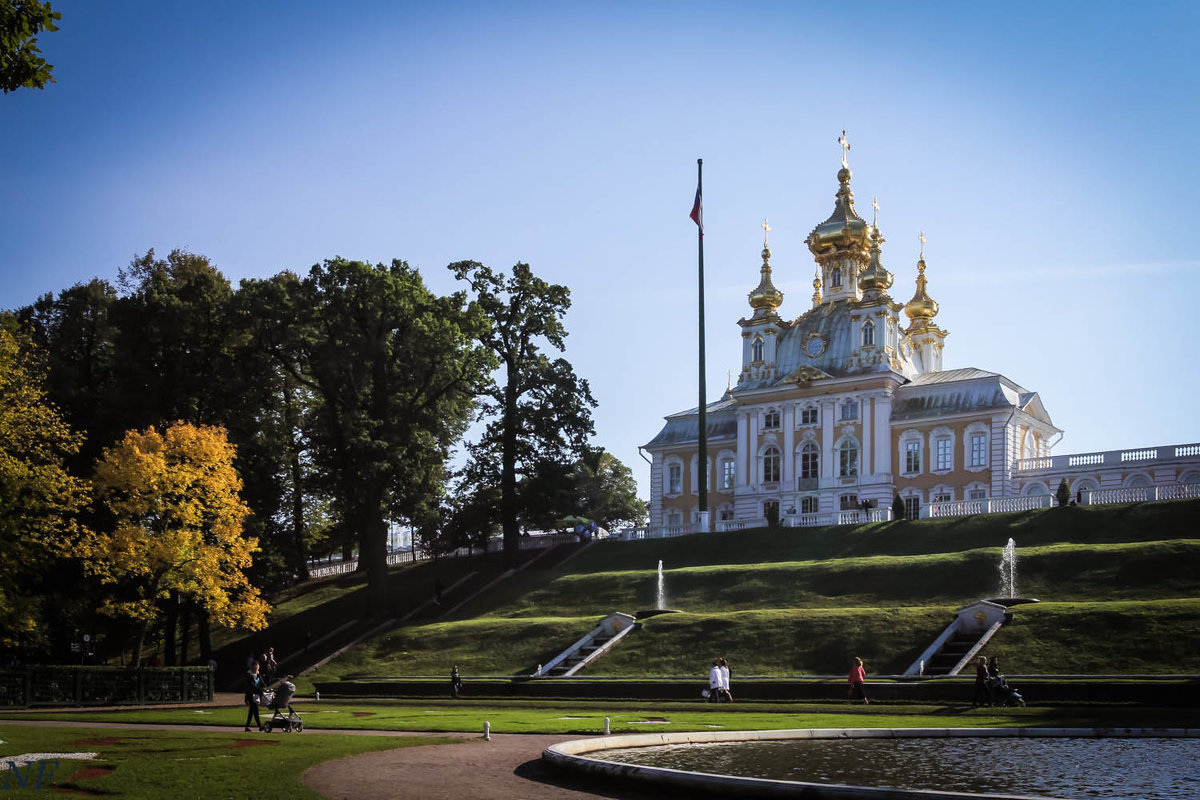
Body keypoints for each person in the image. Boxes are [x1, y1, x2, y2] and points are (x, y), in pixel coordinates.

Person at [244, 661, 265, 732]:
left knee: (252, 712)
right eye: (255, 666)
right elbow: (251, 686)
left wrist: (266, 688)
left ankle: (247, 727)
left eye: (257, 666)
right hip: (250, 695)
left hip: (256, 695)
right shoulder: (249, 675)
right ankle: (260, 726)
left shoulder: (258, 674)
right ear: (252, 667)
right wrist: (260, 690)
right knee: (255, 711)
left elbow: (262, 683)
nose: (256, 668)